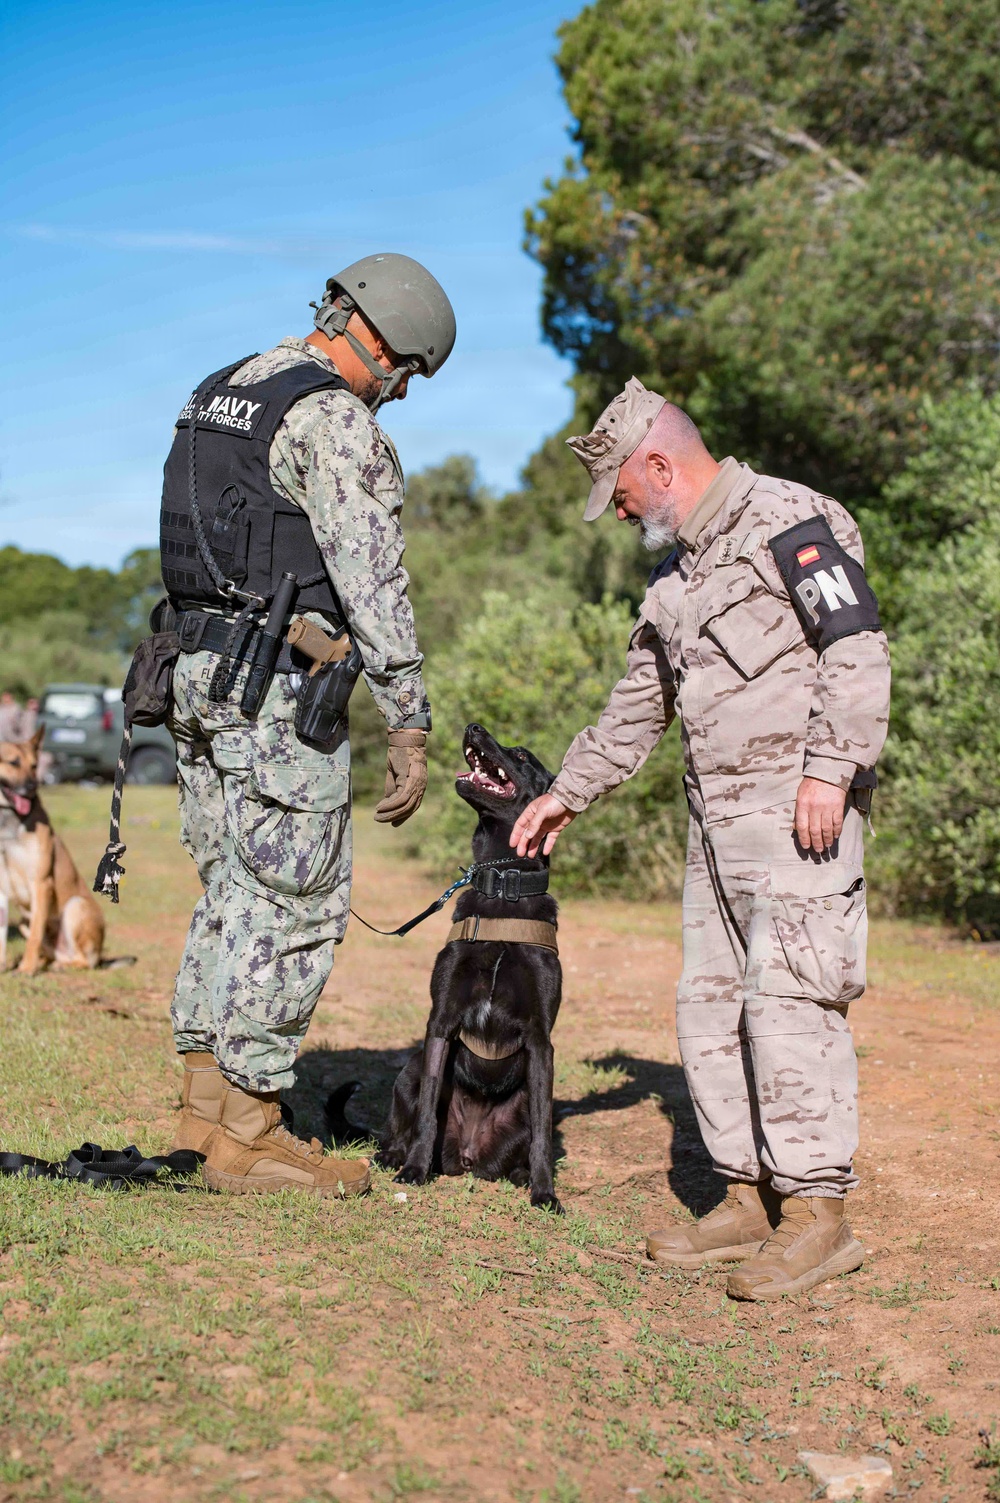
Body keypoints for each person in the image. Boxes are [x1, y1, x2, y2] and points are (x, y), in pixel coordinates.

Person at [511, 379, 890, 1299]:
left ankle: (815, 1213)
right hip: (712, 827)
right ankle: (747, 1192)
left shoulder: (795, 519)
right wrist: (569, 789)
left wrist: (831, 768)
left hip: (800, 816)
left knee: (791, 1001)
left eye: (624, 495)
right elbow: (640, 704)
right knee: (712, 1008)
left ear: (657, 463)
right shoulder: (671, 575)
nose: (621, 512)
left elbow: (856, 646)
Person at [162, 254, 456, 1197]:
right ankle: (248, 1130)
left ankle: (203, 1111)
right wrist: (406, 718)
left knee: (231, 888)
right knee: (293, 899)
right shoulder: (333, 419)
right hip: (274, 686)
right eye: (404, 374)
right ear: (376, 337)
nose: (398, 396)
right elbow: (373, 580)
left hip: (193, 672)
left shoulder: (219, 393)